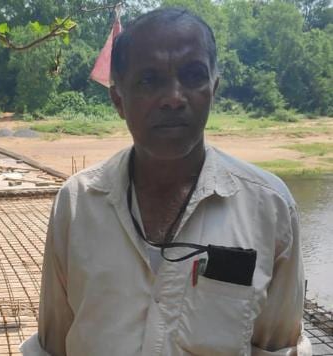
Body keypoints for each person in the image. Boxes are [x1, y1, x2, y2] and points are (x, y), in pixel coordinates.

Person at [20, 7, 311, 356]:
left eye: (192, 75)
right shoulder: (77, 202)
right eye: (149, 79)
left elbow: (279, 347)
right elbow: (54, 344)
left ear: (213, 89)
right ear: (118, 100)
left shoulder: (270, 207)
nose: (174, 97)